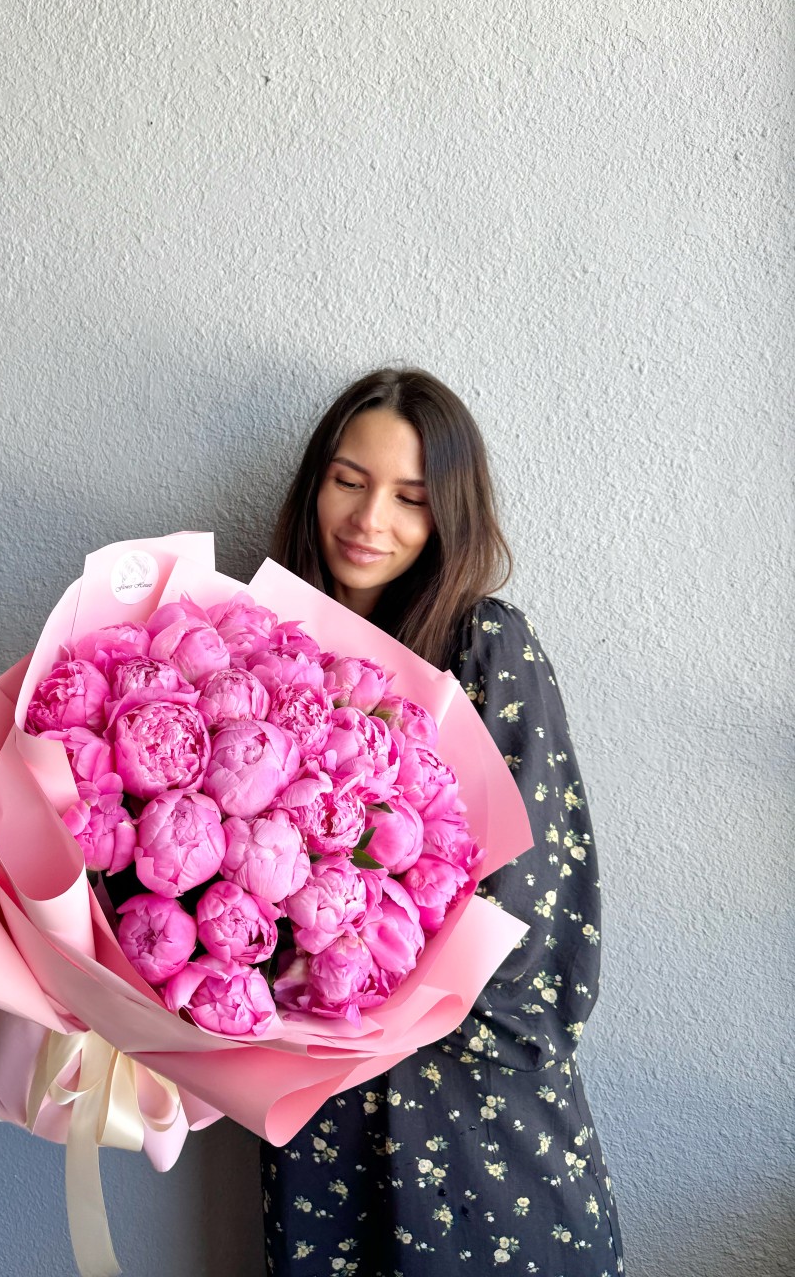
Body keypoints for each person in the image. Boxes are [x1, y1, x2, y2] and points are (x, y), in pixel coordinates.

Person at [261, 368, 624, 1276]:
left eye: (410, 498)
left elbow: (535, 909)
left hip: (469, 1117)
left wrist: (351, 977)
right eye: (348, 481)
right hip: (319, 1120)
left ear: (447, 516)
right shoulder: (262, 654)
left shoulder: (484, 644)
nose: (368, 519)